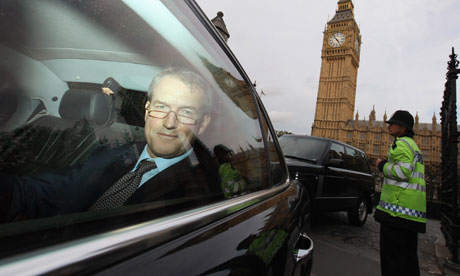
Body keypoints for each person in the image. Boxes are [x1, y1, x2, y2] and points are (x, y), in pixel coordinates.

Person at [1, 67, 221, 221]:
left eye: (186, 112)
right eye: (161, 107)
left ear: (203, 124)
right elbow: (44, 191)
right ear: (147, 112)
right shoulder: (114, 153)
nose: (169, 123)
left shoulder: (202, 194)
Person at [374, 110, 426, 276]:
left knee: (392, 261)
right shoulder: (414, 146)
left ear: (402, 128)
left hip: (396, 212)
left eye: (392, 123)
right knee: (408, 261)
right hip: (411, 214)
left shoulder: (401, 144)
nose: (389, 126)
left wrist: (382, 165)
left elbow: (403, 172)